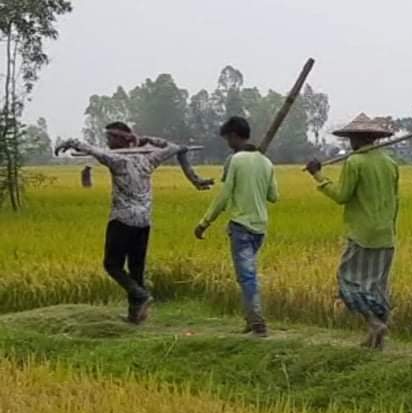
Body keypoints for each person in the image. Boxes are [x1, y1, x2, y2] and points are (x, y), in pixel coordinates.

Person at [55, 123, 194, 324]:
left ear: (121, 140)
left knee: (112, 265)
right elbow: (173, 147)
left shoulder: (117, 161)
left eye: (110, 138)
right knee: (136, 269)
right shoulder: (149, 159)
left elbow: (92, 150)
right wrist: (151, 140)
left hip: (122, 220)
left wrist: (70, 143)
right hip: (143, 222)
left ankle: (141, 295)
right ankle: (135, 316)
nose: (107, 143)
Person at [305, 114, 399, 351]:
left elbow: (342, 196)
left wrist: (318, 176)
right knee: (378, 285)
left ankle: (374, 324)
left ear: (357, 139)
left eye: (351, 139)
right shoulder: (390, 163)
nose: (350, 144)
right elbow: (394, 200)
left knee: (348, 281)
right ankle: (377, 338)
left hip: (361, 233)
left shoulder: (355, 162)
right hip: (386, 233)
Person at [195, 117, 279, 337]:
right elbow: (274, 196)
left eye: (227, 139)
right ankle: (251, 320)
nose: (227, 143)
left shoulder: (236, 160)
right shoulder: (266, 162)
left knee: (247, 276)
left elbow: (224, 195)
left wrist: (205, 222)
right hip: (260, 228)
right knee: (246, 274)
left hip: (241, 226)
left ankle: (258, 323)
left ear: (233, 135)